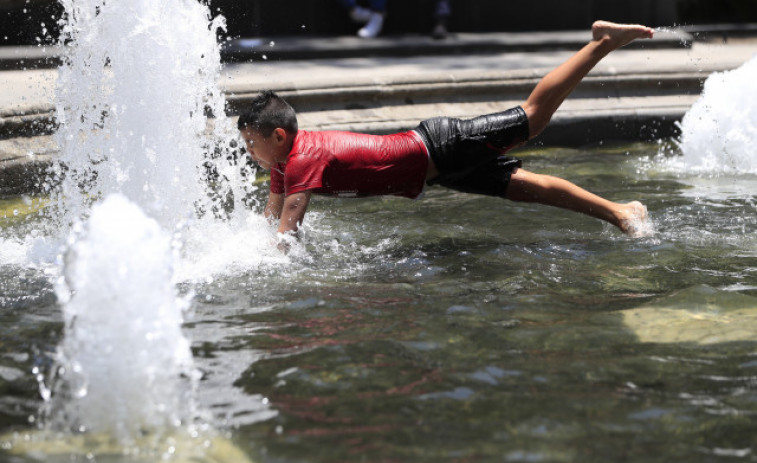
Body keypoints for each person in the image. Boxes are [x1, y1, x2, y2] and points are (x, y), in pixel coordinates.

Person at [238, 21, 654, 252]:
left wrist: (269, 269)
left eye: (252, 143)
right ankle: (623, 213)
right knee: (525, 189)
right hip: (436, 170)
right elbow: (270, 222)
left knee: (533, 117)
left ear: (279, 136)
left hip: (442, 145)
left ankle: (599, 43)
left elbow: (286, 234)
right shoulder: (282, 166)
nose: (249, 152)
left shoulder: (301, 159)